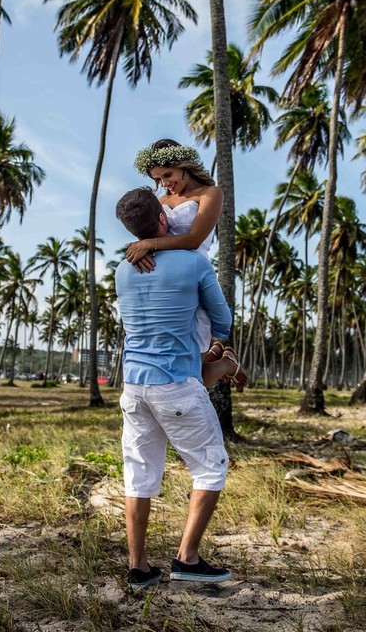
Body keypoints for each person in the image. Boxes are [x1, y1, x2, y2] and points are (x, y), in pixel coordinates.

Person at [114, 186, 246, 589]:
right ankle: (187, 559)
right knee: (211, 466)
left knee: (139, 475)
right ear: (162, 219)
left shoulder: (122, 270)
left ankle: (139, 568)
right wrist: (217, 348)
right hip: (176, 387)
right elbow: (222, 322)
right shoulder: (193, 262)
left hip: (133, 388)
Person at [126, 139, 246, 390]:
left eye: (167, 175)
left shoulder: (210, 194)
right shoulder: (161, 200)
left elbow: (194, 239)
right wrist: (141, 250)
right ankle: (218, 355)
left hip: (194, 278)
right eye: (158, 179)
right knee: (175, 360)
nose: (164, 183)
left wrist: (150, 244)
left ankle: (225, 363)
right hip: (165, 283)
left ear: (183, 166)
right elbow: (150, 230)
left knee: (193, 373)